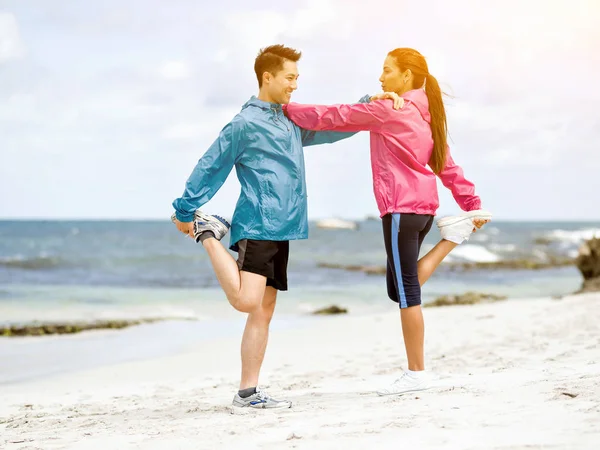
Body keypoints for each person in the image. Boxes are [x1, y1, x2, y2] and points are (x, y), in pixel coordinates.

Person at [171, 45, 370, 410]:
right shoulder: (244, 124)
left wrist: (370, 105)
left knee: (264, 310)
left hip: (283, 227)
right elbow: (210, 164)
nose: (295, 85)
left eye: (297, 78)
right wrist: (186, 208)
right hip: (259, 222)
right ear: (268, 76)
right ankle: (208, 233)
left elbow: (332, 126)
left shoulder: (289, 120)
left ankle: (248, 392)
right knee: (247, 302)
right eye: (290, 77)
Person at [283, 47, 491, 395]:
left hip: (399, 210)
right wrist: (472, 202)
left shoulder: (390, 110)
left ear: (406, 75)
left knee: (407, 293)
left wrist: (284, 109)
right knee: (399, 287)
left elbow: (337, 115)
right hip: (422, 211)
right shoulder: (427, 117)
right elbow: (446, 165)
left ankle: (417, 373)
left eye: (387, 70)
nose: (381, 77)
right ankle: (452, 237)